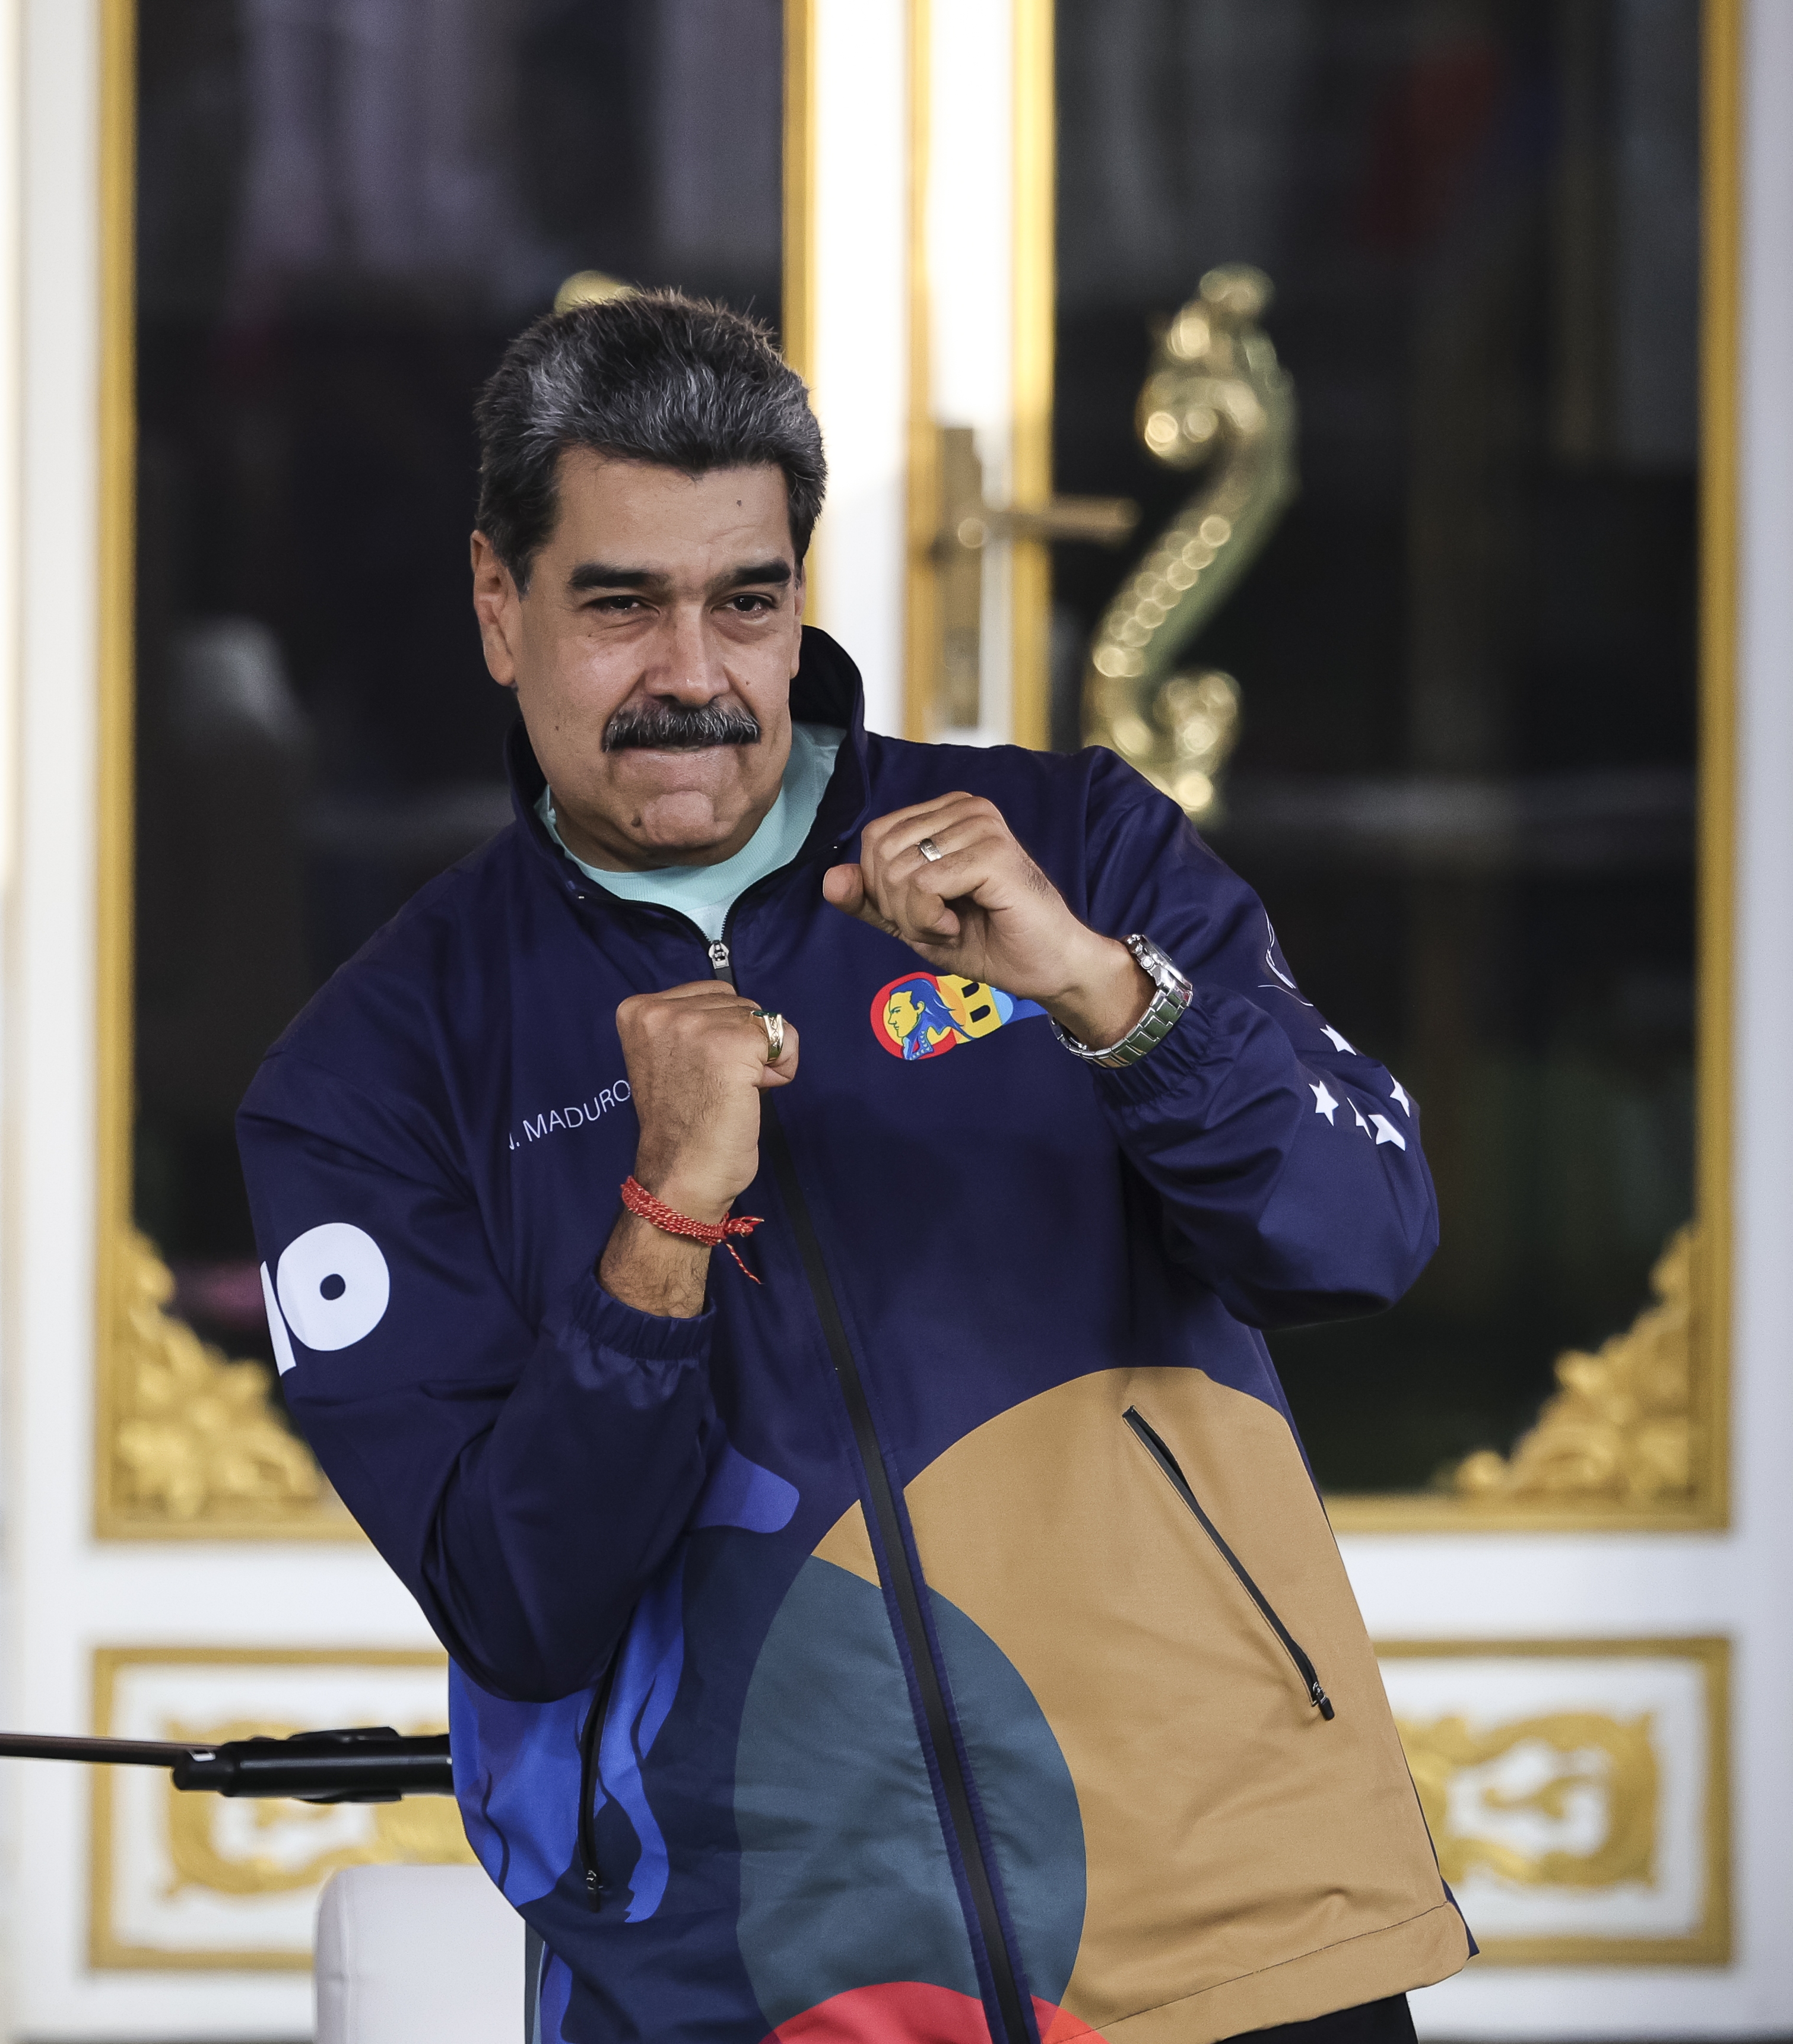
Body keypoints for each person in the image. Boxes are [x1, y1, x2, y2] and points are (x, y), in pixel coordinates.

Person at [237, 292, 1468, 2044]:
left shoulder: (1076, 845)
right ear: (500, 604)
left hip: (1229, 1919)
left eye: (747, 601)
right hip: (759, 1986)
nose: (695, 674)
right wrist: (664, 1219)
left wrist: (1108, 997)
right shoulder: (369, 1073)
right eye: (621, 605)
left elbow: (1361, 1235)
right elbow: (521, 1602)